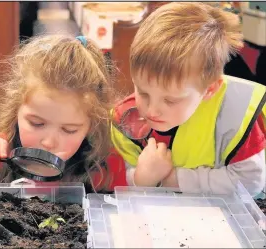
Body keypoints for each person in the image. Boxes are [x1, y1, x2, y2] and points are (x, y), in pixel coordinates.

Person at [0, 34, 126, 196]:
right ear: (16, 112)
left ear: (91, 126)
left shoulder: (104, 167)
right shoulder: (2, 154)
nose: (48, 142)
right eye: (36, 123)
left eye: (69, 130)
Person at [111, 2, 266, 196]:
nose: (151, 111)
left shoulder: (238, 114)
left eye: (170, 100)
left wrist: (169, 179)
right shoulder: (125, 120)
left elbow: (250, 182)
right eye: (143, 93)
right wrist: (141, 178)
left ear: (210, 89)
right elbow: (117, 179)